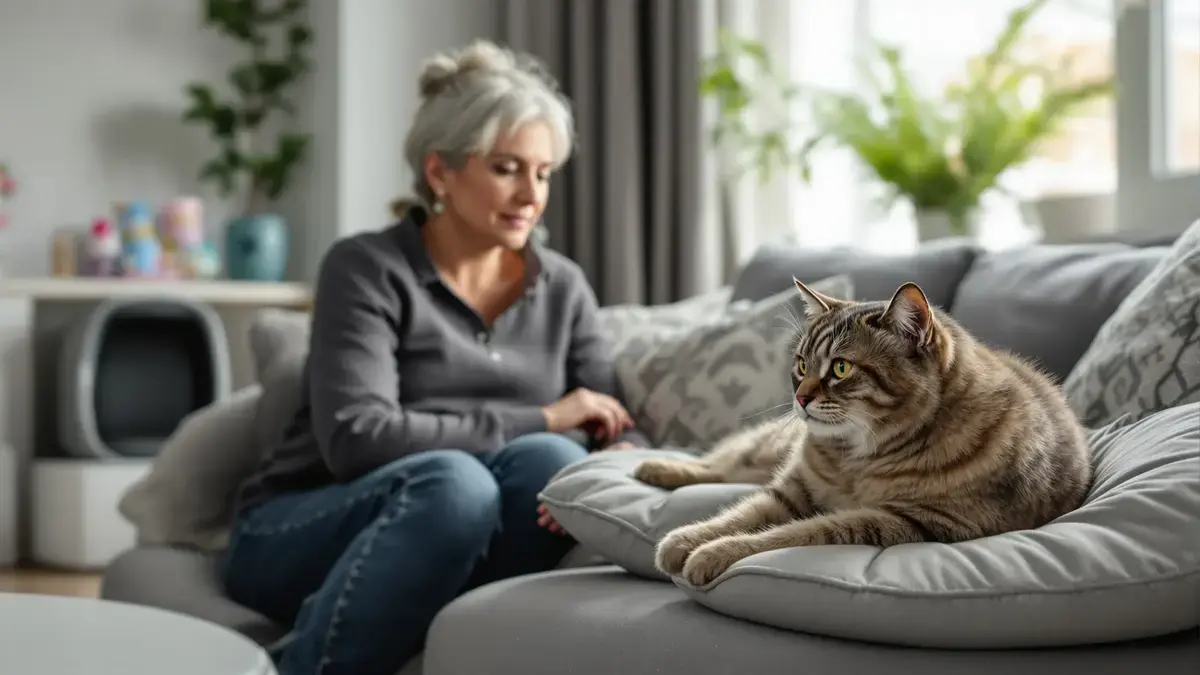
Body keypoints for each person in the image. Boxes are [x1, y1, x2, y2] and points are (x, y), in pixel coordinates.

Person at [219, 40, 649, 675]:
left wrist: (616, 460)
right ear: (439, 173)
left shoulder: (563, 286)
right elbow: (358, 439)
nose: (530, 194)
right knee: (457, 485)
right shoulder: (366, 267)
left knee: (553, 465)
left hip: (456, 541)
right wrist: (543, 417)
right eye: (506, 168)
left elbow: (614, 422)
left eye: (543, 173)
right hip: (301, 526)